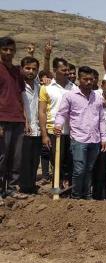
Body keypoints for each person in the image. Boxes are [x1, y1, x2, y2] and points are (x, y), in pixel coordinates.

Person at [54, 66, 106, 199]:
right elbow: (61, 114)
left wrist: (104, 137)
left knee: (89, 169)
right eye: (85, 79)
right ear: (79, 79)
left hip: (94, 140)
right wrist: (58, 124)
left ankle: (87, 195)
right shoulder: (70, 96)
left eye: (91, 79)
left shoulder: (98, 97)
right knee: (79, 169)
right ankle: (76, 196)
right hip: (78, 139)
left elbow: (101, 119)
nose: (89, 82)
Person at [39, 57, 77, 189]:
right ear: (55, 70)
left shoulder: (74, 88)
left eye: (68, 70)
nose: (67, 72)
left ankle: (70, 190)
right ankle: (57, 188)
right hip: (53, 131)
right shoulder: (46, 87)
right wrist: (44, 135)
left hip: (72, 132)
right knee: (56, 162)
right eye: (63, 70)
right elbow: (42, 112)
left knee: (70, 162)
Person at [0, 36, 28, 201]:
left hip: (18, 119)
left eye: (11, 50)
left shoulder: (18, 72)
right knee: (1, 157)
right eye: (5, 49)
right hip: (2, 119)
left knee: (16, 158)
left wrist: (25, 119)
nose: (8, 52)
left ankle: (11, 189)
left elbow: (21, 96)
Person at [19, 56, 42, 194]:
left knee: (34, 159)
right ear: (22, 69)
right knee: (24, 159)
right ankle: (24, 187)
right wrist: (25, 120)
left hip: (37, 128)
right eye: (27, 68)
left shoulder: (39, 87)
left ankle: (31, 185)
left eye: (34, 69)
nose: (31, 71)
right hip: (23, 127)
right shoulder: (19, 86)